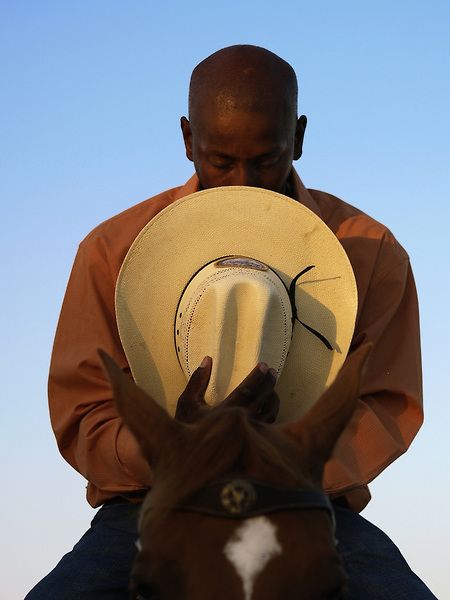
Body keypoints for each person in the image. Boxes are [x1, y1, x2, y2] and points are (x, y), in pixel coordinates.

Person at [26, 45, 436, 599]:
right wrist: (175, 448)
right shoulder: (111, 252)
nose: (243, 181)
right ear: (188, 139)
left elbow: (387, 405)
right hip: (150, 506)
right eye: (220, 161)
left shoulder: (370, 252)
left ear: (300, 137)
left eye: (267, 160)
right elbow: (83, 413)